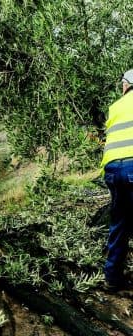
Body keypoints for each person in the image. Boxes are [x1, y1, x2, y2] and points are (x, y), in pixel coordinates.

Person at [100, 69, 133, 290]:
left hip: (112, 169)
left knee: (120, 222)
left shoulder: (114, 107)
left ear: (126, 85)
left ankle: (112, 278)